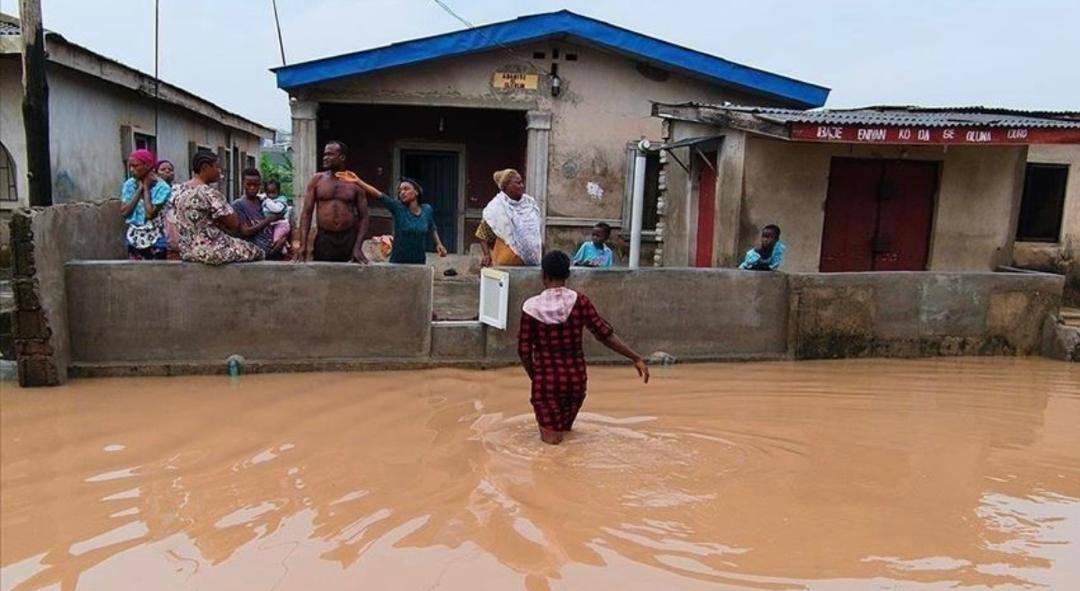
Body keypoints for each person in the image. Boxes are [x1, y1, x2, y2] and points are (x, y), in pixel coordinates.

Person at [518, 250, 650, 445]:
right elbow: (605, 334)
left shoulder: (531, 308)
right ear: (568, 275)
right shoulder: (580, 302)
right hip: (576, 381)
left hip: (547, 381)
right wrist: (635, 357)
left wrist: (535, 376)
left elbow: (524, 350)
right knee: (565, 434)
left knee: (552, 446)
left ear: (543, 275)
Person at [171, 152, 265, 265]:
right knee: (257, 251)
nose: (219, 171)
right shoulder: (210, 193)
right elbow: (234, 224)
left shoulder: (177, 190)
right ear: (205, 167)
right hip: (213, 250)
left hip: (187, 250)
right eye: (217, 167)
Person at [341, 174, 449, 264]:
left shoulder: (427, 210)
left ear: (416, 192)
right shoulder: (398, 208)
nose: (402, 192)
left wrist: (439, 244)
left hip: (419, 261)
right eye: (400, 190)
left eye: (406, 189)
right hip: (398, 262)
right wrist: (358, 181)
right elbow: (378, 195)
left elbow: (432, 227)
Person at [293, 141, 370, 263]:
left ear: (342, 157)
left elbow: (364, 217)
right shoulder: (317, 180)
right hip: (325, 238)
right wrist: (303, 245)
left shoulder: (355, 182)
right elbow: (306, 214)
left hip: (348, 238)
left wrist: (357, 247)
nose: (325, 158)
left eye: (330, 154)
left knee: (350, 279)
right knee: (322, 278)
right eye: (325, 155)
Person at [476, 169, 542, 267]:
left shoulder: (529, 204)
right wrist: (486, 255)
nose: (522, 186)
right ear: (506, 186)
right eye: (518, 183)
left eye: (522, 182)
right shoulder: (496, 207)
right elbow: (482, 235)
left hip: (531, 264)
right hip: (505, 266)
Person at [119, 149, 171, 260]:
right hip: (135, 237)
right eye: (130, 167)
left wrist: (146, 188)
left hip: (156, 238)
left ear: (147, 166)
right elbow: (124, 212)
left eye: (135, 166)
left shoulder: (162, 188)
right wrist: (139, 190)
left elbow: (149, 214)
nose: (132, 170)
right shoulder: (129, 184)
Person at [231, 168, 285, 259]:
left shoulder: (267, 202)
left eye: (255, 185)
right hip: (254, 257)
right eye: (249, 184)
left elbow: (283, 222)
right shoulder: (238, 205)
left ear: (260, 185)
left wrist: (282, 239)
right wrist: (268, 220)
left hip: (276, 253)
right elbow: (245, 231)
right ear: (243, 184)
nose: (252, 188)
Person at [155, 159, 183, 260]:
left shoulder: (179, 189)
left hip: (175, 232)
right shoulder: (153, 191)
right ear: (156, 173)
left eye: (170, 169)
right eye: (163, 169)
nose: (167, 171)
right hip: (158, 233)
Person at [262, 179, 292, 257]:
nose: (271, 195)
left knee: (275, 242)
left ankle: (285, 253)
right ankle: (286, 245)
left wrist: (267, 201)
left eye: (273, 192)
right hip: (275, 225)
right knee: (277, 239)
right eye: (269, 193)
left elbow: (276, 209)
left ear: (278, 191)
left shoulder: (281, 200)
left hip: (281, 225)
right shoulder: (267, 199)